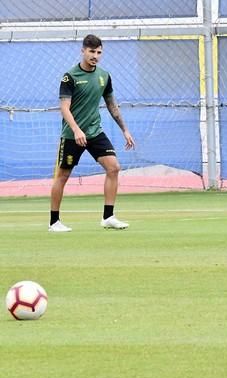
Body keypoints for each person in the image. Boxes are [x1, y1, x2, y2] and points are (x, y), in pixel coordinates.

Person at [49, 34, 135, 232]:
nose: (95, 56)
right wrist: (76, 129)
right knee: (62, 176)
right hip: (72, 135)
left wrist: (125, 130)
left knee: (114, 168)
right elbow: (64, 108)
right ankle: (54, 222)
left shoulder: (104, 76)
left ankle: (108, 217)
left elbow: (112, 105)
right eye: (91, 51)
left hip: (95, 132)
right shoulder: (70, 77)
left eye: (98, 52)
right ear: (83, 51)